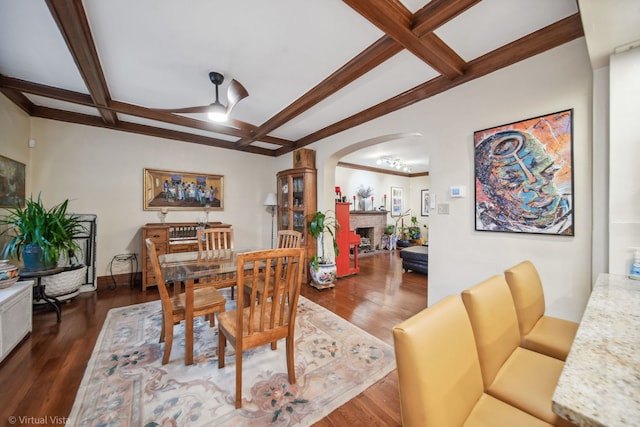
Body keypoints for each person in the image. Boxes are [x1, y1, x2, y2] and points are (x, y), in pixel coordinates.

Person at [475, 130, 572, 234]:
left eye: (545, 171)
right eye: (514, 183)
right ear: (490, 193)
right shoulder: (485, 225)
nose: (537, 184)